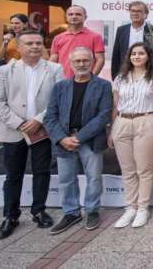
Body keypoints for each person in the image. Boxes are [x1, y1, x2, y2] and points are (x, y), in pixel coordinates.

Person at [0, 30, 63, 239]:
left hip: (42, 130)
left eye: (38, 43)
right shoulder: (4, 71)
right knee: (13, 175)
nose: (35, 46)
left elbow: (59, 100)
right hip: (14, 131)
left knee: (42, 172)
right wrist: (20, 123)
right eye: (29, 43)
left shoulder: (55, 69)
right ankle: (10, 216)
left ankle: (39, 211)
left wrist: (39, 120)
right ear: (19, 47)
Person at [43, 47, 112, 234]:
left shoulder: (103, 86)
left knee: (94, 178)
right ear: (70, 63)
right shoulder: (60, 87)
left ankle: (92, 211)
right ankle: (71, 213)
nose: (81, 64)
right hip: (64, 141)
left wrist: (79, 137)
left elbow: (104, 115)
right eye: (77, 61)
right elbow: (50, 117)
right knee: (66, 180)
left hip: (90, 140)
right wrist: (62, 138)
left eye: (85, 60)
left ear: (92, 62)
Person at [108, 43, 153, 229]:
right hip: (122, 122)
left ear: (148, 56)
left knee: (144, 169)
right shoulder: (120, 78)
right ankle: (130, 207)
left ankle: (143, 208)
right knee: (127, 169)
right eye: (133, 54)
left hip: (146, 120)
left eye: (141, 53)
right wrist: (112, 129)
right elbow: (115, 105)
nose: (137, 56)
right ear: (129, 57)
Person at [50, 5, 105, 77]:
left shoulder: (95, 37)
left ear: (85, 17)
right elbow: (53, 61)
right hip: (62, 80)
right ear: (66, 17)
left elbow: (100, 60)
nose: (74, 16)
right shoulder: (58, 38)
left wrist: (92, 78)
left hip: (86, 80)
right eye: (70, 14)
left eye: (78, 14)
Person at [111, 1, 153, 80]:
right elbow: (116, 55)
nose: (135, 13)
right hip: (125, 73)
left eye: (139, 11)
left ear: (146, 14)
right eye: (133, 11)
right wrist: (115, 76)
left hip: (147, 74)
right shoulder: (121, 30)